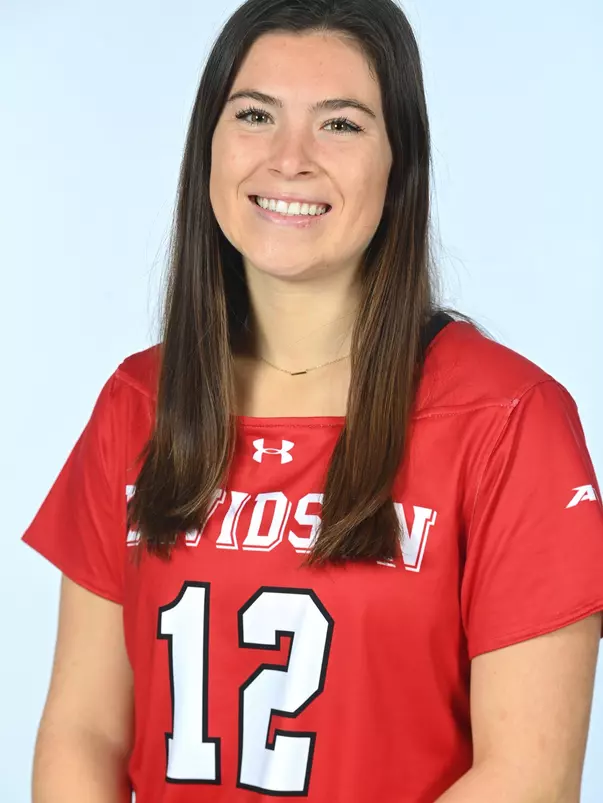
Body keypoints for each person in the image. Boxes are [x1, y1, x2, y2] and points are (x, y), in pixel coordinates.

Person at [21, 0, 603, 801]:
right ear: (208, 143)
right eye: (255, 115)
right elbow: (84, 730)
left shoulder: (507, 419)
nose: (288, 158)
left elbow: (527, 777)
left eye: (340, 124)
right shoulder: (138, 402)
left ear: (400, 163)